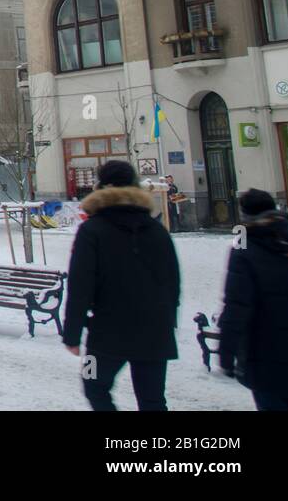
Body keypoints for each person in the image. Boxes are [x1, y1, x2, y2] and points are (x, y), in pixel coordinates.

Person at [62, 159, 180, 411]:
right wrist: (167, 320)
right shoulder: (157, 230)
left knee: (93, 384)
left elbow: (80, 285)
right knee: (153, 400)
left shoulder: (91, 230)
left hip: (107, 331)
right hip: (155, 330)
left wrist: (72, 333)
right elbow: (172, 282)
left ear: (100, 187)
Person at [218, 189, 288, 410]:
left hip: (265, 356)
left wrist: (226, 353)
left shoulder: (243, 248)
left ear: (245, 215)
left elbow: (236, 306)